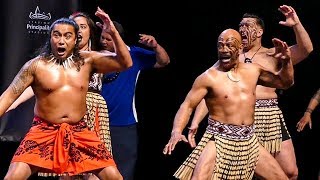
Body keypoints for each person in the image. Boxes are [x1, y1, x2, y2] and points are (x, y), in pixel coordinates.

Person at [176, 5, 313, 180]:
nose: (242, 28)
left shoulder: (272, 54)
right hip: (238, 120)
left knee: (290, 172)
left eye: (247, 25)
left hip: (269, 117)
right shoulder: (228, 60)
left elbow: (306, 50)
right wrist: (195, 121)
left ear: (259, 32)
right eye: (240, 26)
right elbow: (210, 94)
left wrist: (296, 24)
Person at [0, 6, 132, 179]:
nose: (61, 41)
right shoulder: (36, 66)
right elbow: (7, 97)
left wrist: (113, 32)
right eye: (57, 35)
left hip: (79, 131)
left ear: (75, 40)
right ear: (51, 38)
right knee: (14, 175)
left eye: (67, 36)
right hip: (43, 131)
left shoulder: (88, 61)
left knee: (114, 176)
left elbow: (125, 63)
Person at [163, 28, 293, 179]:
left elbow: (284, 83)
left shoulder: (253, 70)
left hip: (249, 141)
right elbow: (187, 105)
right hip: (219, 141)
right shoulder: (208, 77)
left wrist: (286, 62)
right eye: (220, 45)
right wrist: (176, 131)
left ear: (240, 48)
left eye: (229, 45)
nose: (224, 49)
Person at [99, 21, 170, 180]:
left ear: (118, 38)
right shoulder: (95, 56)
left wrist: (155, 46)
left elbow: (164, 61)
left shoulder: (134, 55)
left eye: (108, 38)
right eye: (102, 37)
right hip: (97, 123)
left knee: (123, 171)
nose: (103, 41)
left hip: (124, 124)